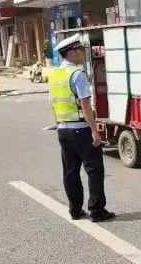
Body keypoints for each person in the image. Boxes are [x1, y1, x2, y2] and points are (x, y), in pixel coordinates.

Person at [49, 34, 115, 223]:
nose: (83, 53)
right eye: (81, 50)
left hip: (63, 130)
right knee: (94, 170)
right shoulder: (77, 74)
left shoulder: (55, 75)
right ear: (71, 53)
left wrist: (58, 124)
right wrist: (95, 131)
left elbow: (53, 103)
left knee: (70, 172)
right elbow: (86, 105)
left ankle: (75, 210)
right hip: (81, 129)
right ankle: (96, 210)